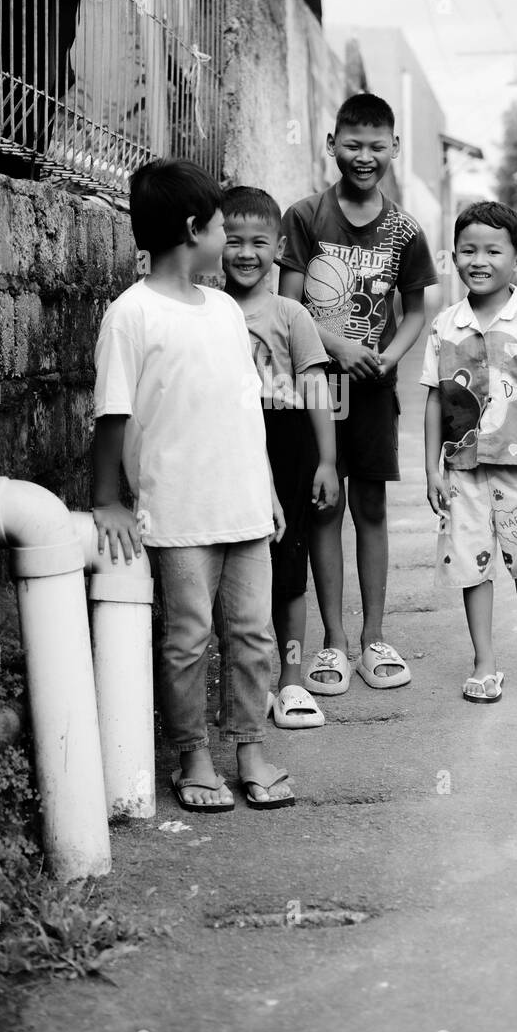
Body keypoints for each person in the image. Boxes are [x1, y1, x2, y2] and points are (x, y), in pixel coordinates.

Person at [92, 158, 294, 811]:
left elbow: (246, 410)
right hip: (178, 515)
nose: (227, 238)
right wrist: (107, 499)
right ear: (191, 230)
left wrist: (266, 489)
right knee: (186, 639)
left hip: (244, 506)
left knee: (254, 635)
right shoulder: (131, 314)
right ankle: (193, 757)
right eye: (217, 225)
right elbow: (112, 414)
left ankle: (251, 749)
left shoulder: (225, 313)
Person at [279, 93, 437, 694]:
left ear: (394, 148)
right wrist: (338, 347)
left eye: (376, 147)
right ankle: (334, 644)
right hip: (318, 389)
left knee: (370, 508)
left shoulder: (405, 229)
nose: (364, 157)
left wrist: (389, 358)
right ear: (331, 145)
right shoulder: (305, 217)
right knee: (326, 505)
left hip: (373, 392)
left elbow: (417, 310)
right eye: (353, 145)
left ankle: (373, 637)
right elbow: (288, 306)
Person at [422, 200, 517, 705]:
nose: (478, 260)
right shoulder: (445, 325)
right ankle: (485, 663)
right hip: (462, 470)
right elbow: (434, 399)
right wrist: (429, 467)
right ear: (454, 257)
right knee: (472, 565)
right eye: (467, 250)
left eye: (492, 250)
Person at [221, 186, 338, 729]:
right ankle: (249, 683)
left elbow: (316, 388)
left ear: (280, 246)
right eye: (233, 240)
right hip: (230, 439)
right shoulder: (210, 312)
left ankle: (290, 683)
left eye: (259, 242)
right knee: (240, 563)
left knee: (290, 564)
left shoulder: (291, 314)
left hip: (288, 439)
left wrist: (326, 462)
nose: (246, 253)